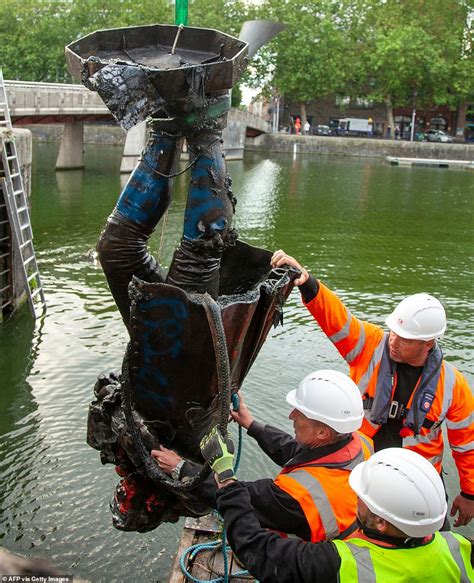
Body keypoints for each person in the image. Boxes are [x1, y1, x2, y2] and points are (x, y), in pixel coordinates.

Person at [270, 250, 474, 528]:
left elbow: (467, 445)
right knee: (351, 526)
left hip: (416, 477)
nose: (394, 341)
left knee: (435, 535)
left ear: (428, 344)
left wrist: (469, 493)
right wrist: (308, 282)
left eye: (405, 339)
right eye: (394, 332)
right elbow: (338, 320)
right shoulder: (371, 345)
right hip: (361, 463)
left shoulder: (453, 386)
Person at [152, 369, 373, 542]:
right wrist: (251, 424)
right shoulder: (358, 442)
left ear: (323, 432)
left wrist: (181, 468)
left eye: (299, 413)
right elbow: (297, 452)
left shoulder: (301, 497)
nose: (290, 415)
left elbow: (243, 498)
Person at [204, 442, 473, 583]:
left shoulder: (340, 564)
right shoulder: (459, 548)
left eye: (363, 497)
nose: (355, 497)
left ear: (381, 523)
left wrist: (228, 483)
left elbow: (258, 550)